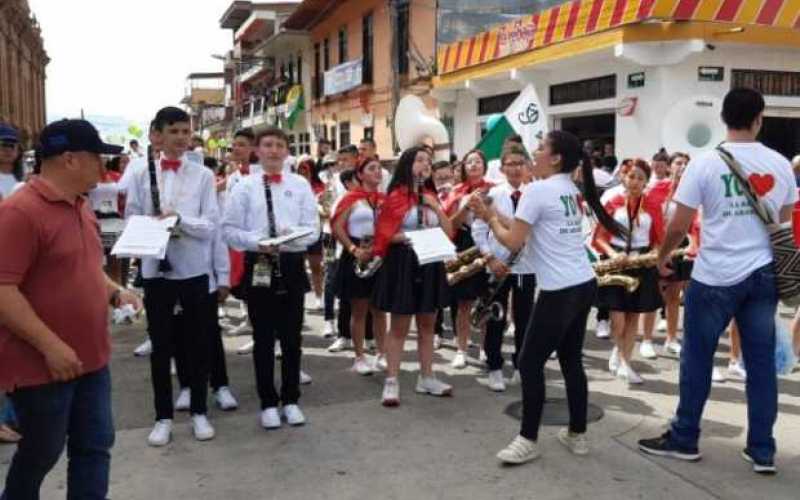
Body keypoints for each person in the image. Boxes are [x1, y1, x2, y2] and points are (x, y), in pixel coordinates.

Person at [638, 88, 797, 475]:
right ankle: (762, 450)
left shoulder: (705, 163)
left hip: (713, 278)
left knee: (697, 357)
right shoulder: (779, 164)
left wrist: (661, 259)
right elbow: (786, 222)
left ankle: (685, 437)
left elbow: (678, 224)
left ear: (723, 119)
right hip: (763, 276)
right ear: (759, 119)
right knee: (760, 365)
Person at [0, 119, 140, 498]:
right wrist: (51, 347)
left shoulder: (81, 206)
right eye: (97, 157)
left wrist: (114, 293)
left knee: (94, 448)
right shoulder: (20, 212)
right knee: (40, 454)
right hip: (42, 366)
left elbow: (86, 268)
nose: (104, 166)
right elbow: (3, 290)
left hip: (92, 359)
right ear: (70, 159)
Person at [471, 130, 624, 464]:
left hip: (559, 290)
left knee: (528, 362)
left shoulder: (538, 190)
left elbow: (513, 241)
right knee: (570, 360)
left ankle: (527, 439)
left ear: (555, 158)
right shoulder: (570, 189)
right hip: (583, 284)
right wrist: (495, 218)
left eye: (540, 149)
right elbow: (528, 229)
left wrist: (488, 218)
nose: (532, 154)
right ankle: (577, 434)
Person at [125, 107, 220, 446]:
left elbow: (210, 225)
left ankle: (198, 411)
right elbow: (131, 220)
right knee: (162, 346)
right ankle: (162, 416)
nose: (182, 137)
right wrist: (153, 226)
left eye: (186, 131)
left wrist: (179, 221)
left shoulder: (204, 176)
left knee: (197, 343)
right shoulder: (140, 174)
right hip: (156, 270)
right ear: (158, 134)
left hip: (193, 270)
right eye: (175, 131)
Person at [222, 127, 319, 429]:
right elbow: (229, 230)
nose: (274, 150)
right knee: (263, 338)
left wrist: (293, 237)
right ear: (257, 150)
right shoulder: (244, 187)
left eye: (279, 145)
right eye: (267, 145)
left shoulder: (300, 184)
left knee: (292, 338)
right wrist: (256, 241)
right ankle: (267, 401)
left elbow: (313, 229)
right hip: (260, 262)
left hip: (290, 262)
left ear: (287, 151)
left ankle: (291, 399)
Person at [372, 146, 455, 406]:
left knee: (428, 324)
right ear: (407, 164)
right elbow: (384, 237)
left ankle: (427, 377)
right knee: (399, 326)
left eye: (428, 162)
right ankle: (392, 381)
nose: (425, 165)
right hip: (404, 262)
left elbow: (449, 230)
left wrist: (435, 207)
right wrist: (411, 237)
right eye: (419, 160)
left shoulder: (431, 196)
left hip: (430, 262)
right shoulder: (395, 197)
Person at [472, 143, 536, 391]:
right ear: (502, 167)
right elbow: (479, 229)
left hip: (526, 267)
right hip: (498, 266)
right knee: (496, 317)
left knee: (525, 318)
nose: (516, 169)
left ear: (527, 166)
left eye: (520, 163)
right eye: (510, 164)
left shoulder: (535, 193)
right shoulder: (493, 194)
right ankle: (495, 366)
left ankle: (521, 364)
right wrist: (490, 259)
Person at [331, 158, 388, 374]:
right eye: (371, 168)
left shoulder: (384, 199)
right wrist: (353, 250)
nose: (377, 171)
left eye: (378, 168)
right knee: (360, 309)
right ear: (360, 175)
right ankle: (359, 357)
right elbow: (336, 226)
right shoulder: (351, 198)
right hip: (357, 252)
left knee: (380, 309)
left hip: (380, 253)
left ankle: (382, 354)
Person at [442, 150, 493, 369]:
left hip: (491, 242)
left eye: (478, 161)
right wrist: (466, 206)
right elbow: (450, 224)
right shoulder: (456, 191)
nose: (473, 165)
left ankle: (485, 348)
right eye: (469, 161)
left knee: (488, 301)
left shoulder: (494, 189)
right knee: (463, 302)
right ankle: (461, 349)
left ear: (484, 166)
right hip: (464, 243)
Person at [659, 153, 695, 356]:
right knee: (654, 293)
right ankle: (645, 338)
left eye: (685, 163)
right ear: (669, 166)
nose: (682, 166)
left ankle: (671, 338)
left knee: (676, 294)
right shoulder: (658, 188)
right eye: (678, 163)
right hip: (659, 242)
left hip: (684, 243)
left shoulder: (693, 190)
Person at [0, 124, 23, 200]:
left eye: (12, 145)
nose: (8, 149)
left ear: (18, 150)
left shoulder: (27, 178)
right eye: (3, 145)